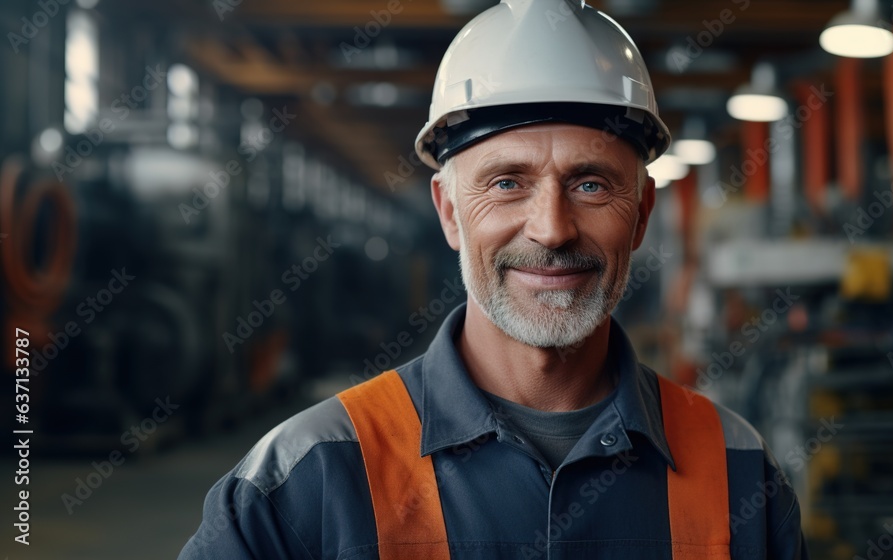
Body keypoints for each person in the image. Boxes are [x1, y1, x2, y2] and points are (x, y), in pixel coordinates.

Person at [179, 0, 809, 558]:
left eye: (590, 184)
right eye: (507, 183)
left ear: (641, 215)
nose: (552, 229)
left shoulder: (736, 470)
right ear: (450, 213)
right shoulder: (305, 479)